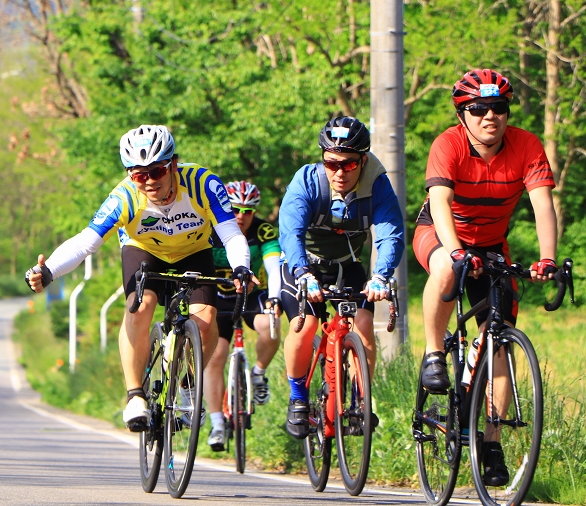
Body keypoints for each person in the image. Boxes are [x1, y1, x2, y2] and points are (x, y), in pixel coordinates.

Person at [25, 125, 252, 432]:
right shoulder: (124, 197)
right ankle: (135, 396)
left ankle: (187, 384)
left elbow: (231, 234)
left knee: (207, 318)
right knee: (140, 306)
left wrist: (241, 268)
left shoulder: (202, 183)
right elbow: (85, 242)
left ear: (173, 164)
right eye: (138, 174)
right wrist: (48, 271)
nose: (148, 182)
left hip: (194, 251)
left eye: (156, 171)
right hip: (143, 251)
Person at [413, 68, 558, 486]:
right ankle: (433, 354)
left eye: (498, 108)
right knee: (443, 268)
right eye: (478, 109)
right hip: (442, 233)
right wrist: (455, 249)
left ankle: (490, 443)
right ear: (463, 115)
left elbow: (542, 205)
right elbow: (439, 203)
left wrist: (547, 258)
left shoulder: (527, 145)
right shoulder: (448, 144)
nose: (489, 116)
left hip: (493, 243)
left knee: (500, 341)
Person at [277, 116, 404, 440]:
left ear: (363, 160)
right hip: (303, 263)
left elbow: (390, 235)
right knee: (304, 326)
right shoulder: (308, 181)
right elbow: (290, 232)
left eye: (348, 164)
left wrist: (380, 276)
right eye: (331, 163)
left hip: (347, 265)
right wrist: (303, 272)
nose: (339, 172)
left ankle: (361, 402)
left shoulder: (377, 184)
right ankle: (298, 397)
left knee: (363, 327)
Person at [202, 180, 283, 451]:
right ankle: (217, 424)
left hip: (250, 296)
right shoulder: (211, 227)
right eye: (236, 209)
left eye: (248, 211)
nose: (241, 216)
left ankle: (258, 373)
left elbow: (274, 268)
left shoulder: (263, 231)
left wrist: (274, 297)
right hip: (217, 299)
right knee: (215, 357)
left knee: (271, 326)